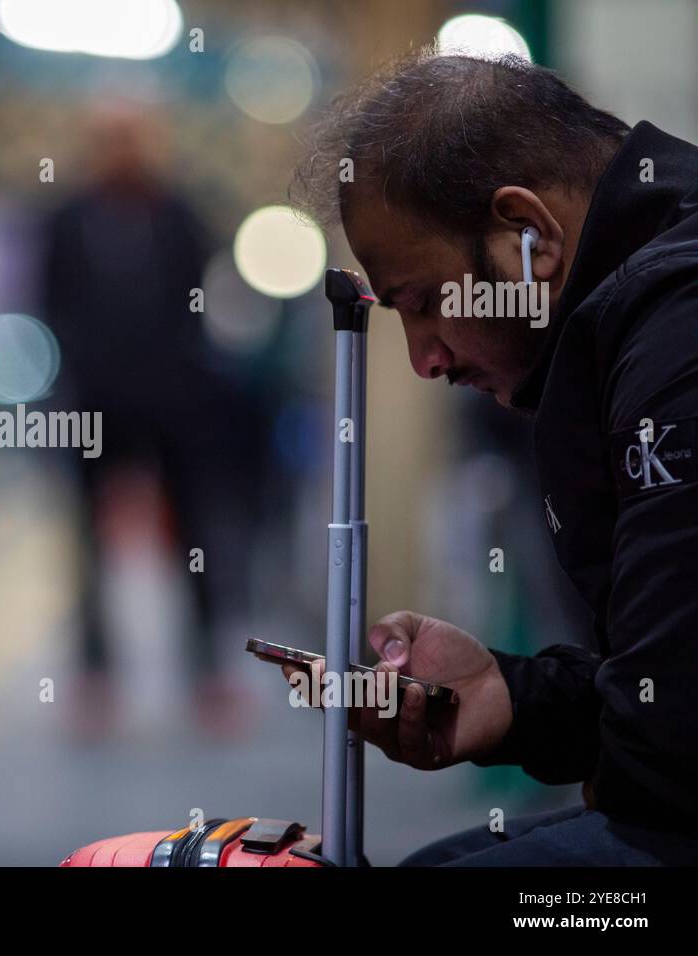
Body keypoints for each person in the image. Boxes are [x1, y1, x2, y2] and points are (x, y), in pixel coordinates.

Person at [287, 47, 698, 864]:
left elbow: (672, 757)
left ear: (526, 238)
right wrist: (506, 696)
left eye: (427, 303)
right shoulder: (632, 320)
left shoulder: (679, 337)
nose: (424, 361)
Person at [42, 104, 262, 738]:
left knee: (194, 541)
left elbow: (203, 305)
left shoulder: (179, 215)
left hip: (175, 405)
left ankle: (208, 675)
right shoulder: (66, 221)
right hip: (95, 405)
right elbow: (51, 306)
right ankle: (95, 678)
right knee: (86, 548)